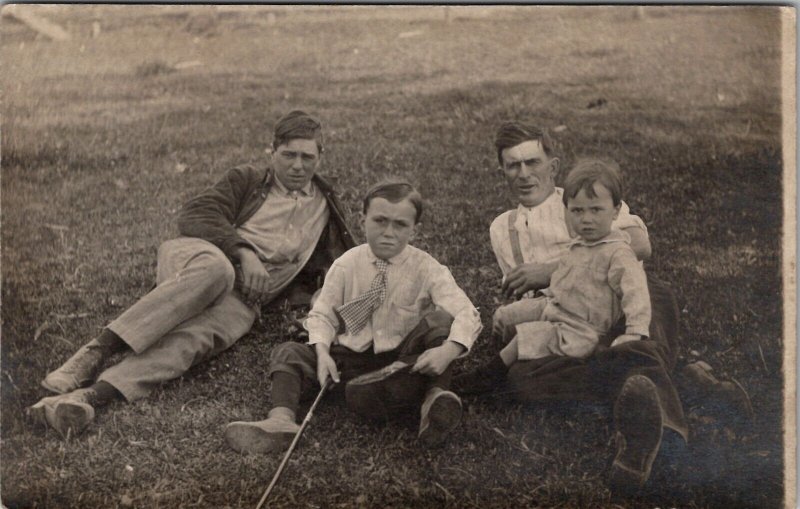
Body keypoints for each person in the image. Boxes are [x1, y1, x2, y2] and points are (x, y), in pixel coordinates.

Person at [456, 121, 752, 490]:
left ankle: (664, 438)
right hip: (573, 323)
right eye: (512, 165)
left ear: (553, 165)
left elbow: (640, 244)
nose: (524, 173)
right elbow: (537, 304)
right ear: (501, 170)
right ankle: (688, 386)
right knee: (520, 381)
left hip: (627, 302)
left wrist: (550, 270)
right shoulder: (503, 228)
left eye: (532, 162)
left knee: (642, 322)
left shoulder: (586, 195)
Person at [30, 110, 356, 437]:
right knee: (218, 271)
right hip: (200, 258)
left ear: (320, 157)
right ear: (271, 152)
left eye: (307, 157)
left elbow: (332, 266)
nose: (298, 165)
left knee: (192, 342)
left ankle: (86, 398)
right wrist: (243, 253)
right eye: (288, 155)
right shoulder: (248, 179)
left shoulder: (325, 205)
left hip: (245, 299)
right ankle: (94, 352)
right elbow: (195, 214)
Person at [224, 180, 482, 454]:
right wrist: (323, 354)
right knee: (289, 352)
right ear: (362, 220)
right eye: (379, 221)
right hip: (349, 359)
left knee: (441, 323)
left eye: (400, 225)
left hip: (403, 360)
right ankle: (281, 421)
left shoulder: (427, 268)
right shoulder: (346, 264)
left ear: (414, 231)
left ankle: (434, 401)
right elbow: (322, 315)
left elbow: (468, 313)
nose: (388, 233)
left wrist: (448, 350)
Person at [490, 158, 651, 363]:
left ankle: (494, 370)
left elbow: (636, 294)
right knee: (505, 317)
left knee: (523, 341)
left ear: (616, 211)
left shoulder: (618, 252)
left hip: (580, 328)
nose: (586, 219)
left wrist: (635, 332)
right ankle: (504, 340)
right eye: (577, 210)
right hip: (555, 306)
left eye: (596, 210)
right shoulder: (577, 245)